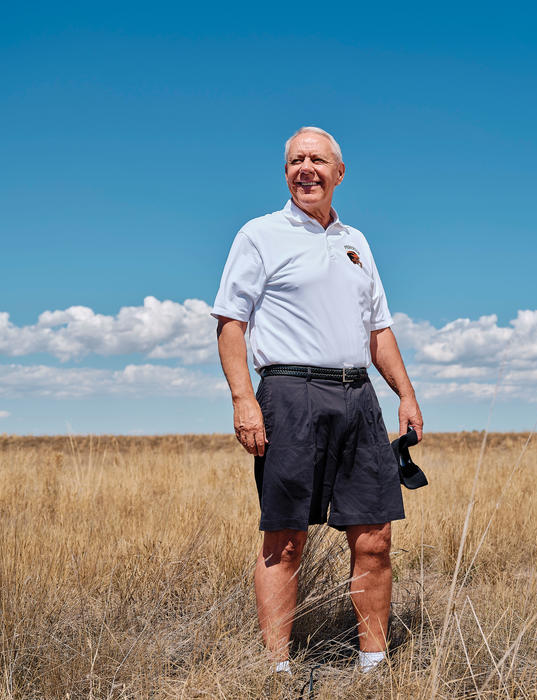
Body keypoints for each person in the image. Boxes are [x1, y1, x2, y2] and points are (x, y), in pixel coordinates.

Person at [211, 126, 423, 674]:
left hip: (359, 396)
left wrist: (405, 394)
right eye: (295, 161)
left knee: (375, 537)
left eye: (318, 160)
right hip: (290, 393)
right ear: (285, 172)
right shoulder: (259, 235)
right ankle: (276, 671)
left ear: (339, 172)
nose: (306, 169)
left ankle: (374, 665)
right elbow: (231, 324)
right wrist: (244, 400)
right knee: (285, 539)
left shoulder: (357, 241)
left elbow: (378, 329)